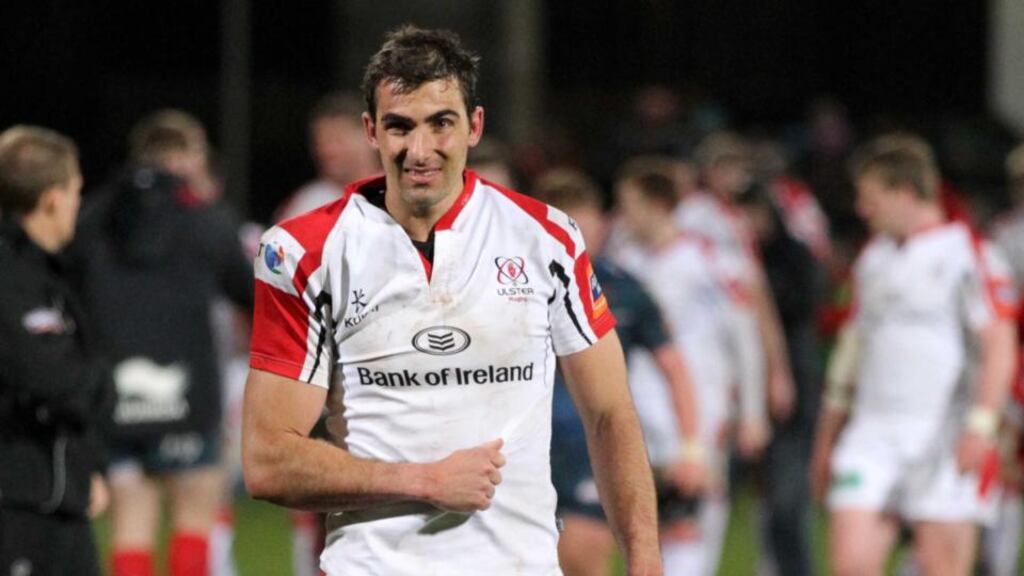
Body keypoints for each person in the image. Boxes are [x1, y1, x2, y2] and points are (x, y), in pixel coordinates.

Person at [242, 25, 661, 575]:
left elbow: (609, 412)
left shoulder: (547, 240)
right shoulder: (304, 253)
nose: (420, 150)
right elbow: (268, 460)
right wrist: (424, 481)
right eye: (399, 126)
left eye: (441, 123)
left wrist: (646, 561)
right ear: (371, 130)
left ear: (475, 126)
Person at [810, 133, 1018, 576]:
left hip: (943, 434)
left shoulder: (969, 253)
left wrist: (981, 424)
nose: (862, 211)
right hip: (872, 434)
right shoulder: (873, 259)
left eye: (871, 198)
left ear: (905, 191)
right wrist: (828, 435)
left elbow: (1000, 343)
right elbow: (852, 353)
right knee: (848, 566)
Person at [69, 110, 254, 576]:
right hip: (189, 398)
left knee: (131, 526)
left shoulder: (92, 218)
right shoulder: (207, 220)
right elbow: (250, 292)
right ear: (185, 158)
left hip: (117, 398)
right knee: (194, 524)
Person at [533, 168, 706, 576]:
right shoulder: (513, 286)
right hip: (526, 445)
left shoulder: (625, 288)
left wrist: (691, 448)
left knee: (582, 553)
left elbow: (674, 368)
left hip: (590, 442)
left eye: (582, 220)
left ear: (601, 222)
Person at [609, 158, 767, 576]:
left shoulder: (705, 256)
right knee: (647, 520)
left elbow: (744, 333)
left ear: (656, 205)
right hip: (641, 403)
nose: (622, 216)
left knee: (696, 511)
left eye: (629, 205)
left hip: (700, 402)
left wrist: (752, 411)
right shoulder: (625, 261)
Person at [0, 125, 113, 575]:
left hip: (59, 498)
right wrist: (99, 382)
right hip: (17, 505)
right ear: (50, 198)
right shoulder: (11, 278)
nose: (76, 204)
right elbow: (52, 380)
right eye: (74, 191)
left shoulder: (48, 276)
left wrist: (90, 465)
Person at [736, 182, 822, 576]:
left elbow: (802, 308)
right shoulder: (741, 258)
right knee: (767, 494)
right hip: (756, 387)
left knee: (788, 497)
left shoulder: (793, 257)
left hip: (794, 389)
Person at [273, 91, 380, 222]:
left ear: (369, 135)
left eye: (337, 139)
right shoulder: (309, 203)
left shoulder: (397, 193)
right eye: (320, 143)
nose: (328, 151)